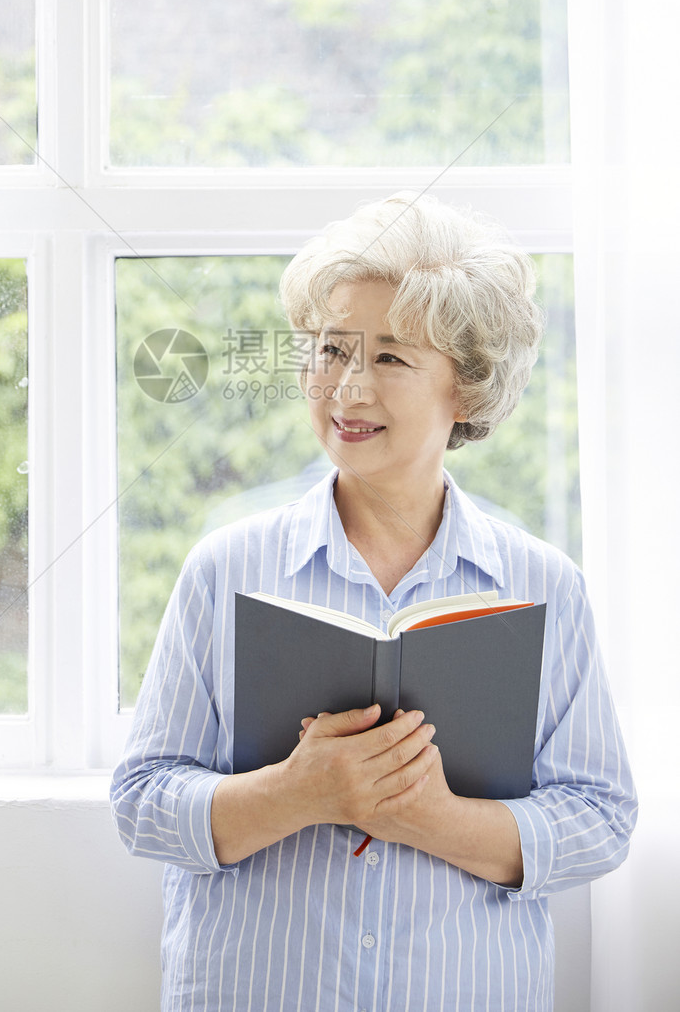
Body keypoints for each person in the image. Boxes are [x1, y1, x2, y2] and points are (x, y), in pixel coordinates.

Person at [110, 192, 637, 1012]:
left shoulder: (544, 586)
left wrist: (431, 817)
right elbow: (142, 803)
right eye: (330, 350)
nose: (346, 389)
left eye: (390, 358)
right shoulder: (226, 567)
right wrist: (300, 792)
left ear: (465, 389)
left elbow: (600, 818)